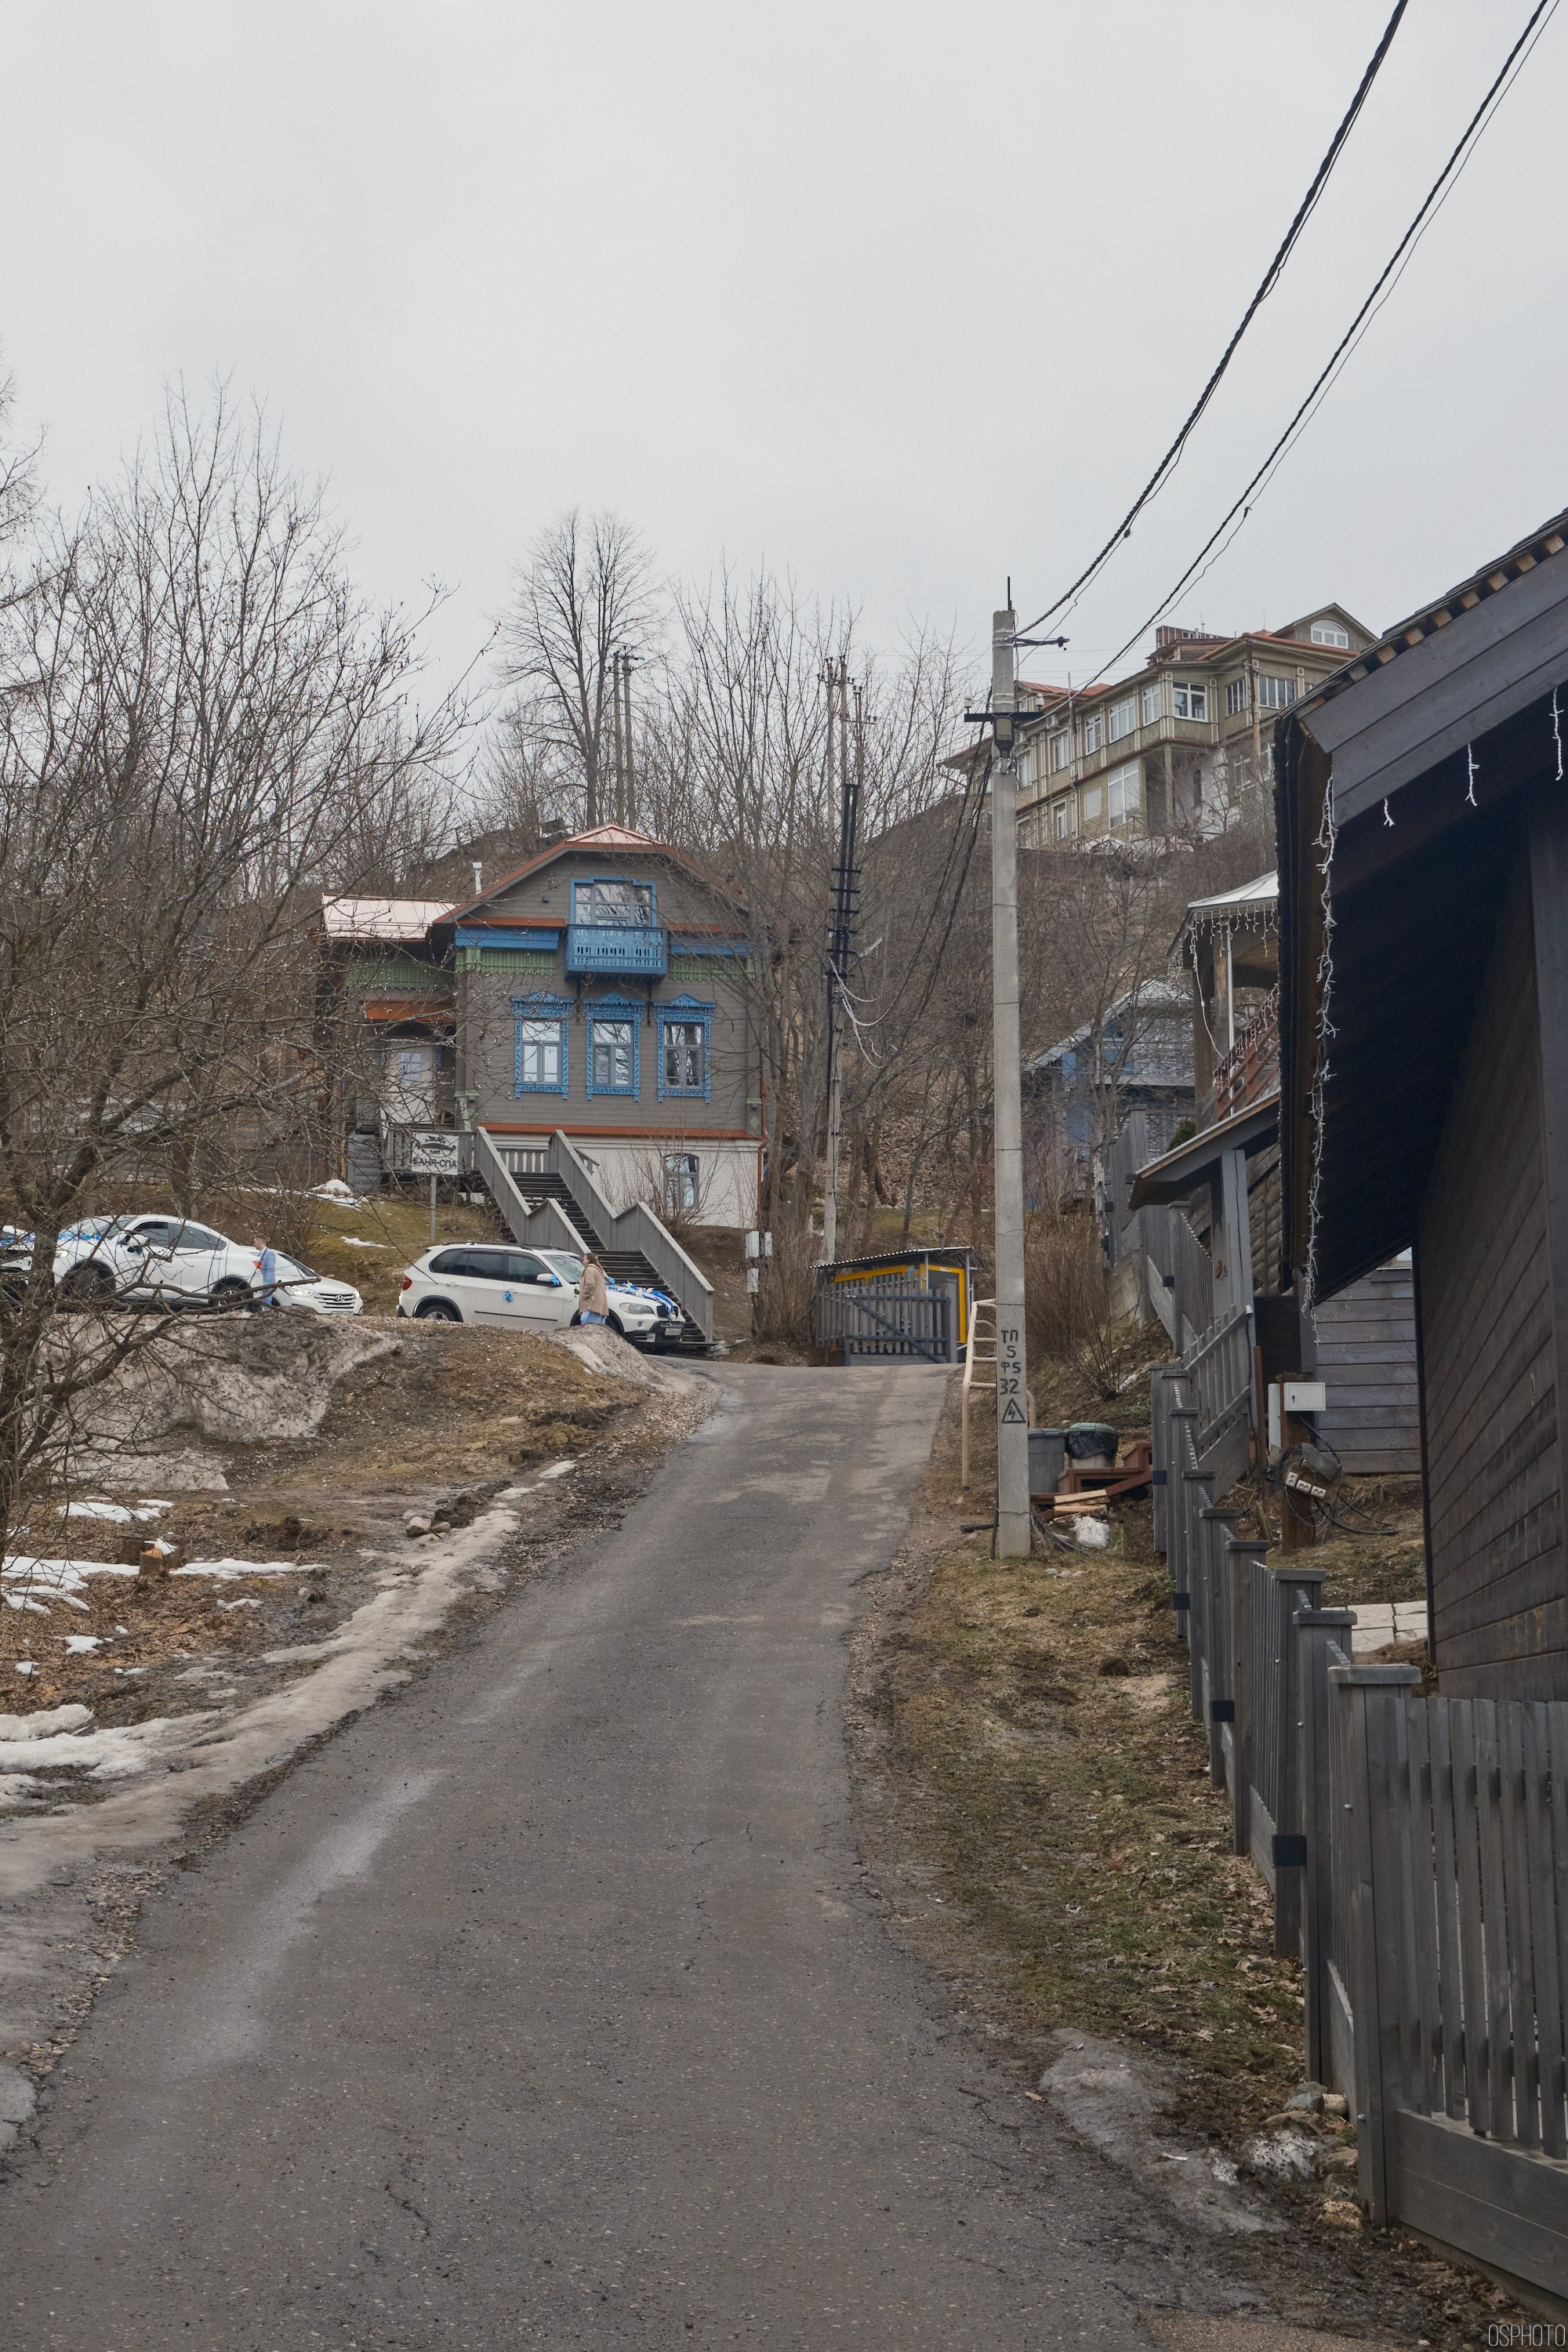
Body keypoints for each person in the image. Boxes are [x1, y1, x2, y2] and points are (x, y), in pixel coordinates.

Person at [578, 1252, 609, 1325]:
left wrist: (585, 1294)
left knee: (587, 1324)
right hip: (598, 1304)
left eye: (584, 1259)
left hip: (592, 1304)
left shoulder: (590, 1269)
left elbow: (590, 1283)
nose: (583, 1261)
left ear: (589, 1260)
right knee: (599, 1327)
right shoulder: (597, 1269)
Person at [252, 1236, 280, 1309]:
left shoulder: (269, 1253)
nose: (254, 1244)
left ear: (260, 1242)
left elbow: (270, 1270)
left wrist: (266, 1284)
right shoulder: (261, 1254)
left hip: (267, 1283)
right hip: (261, 1282)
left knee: (266, 1304)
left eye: (255, 1242)